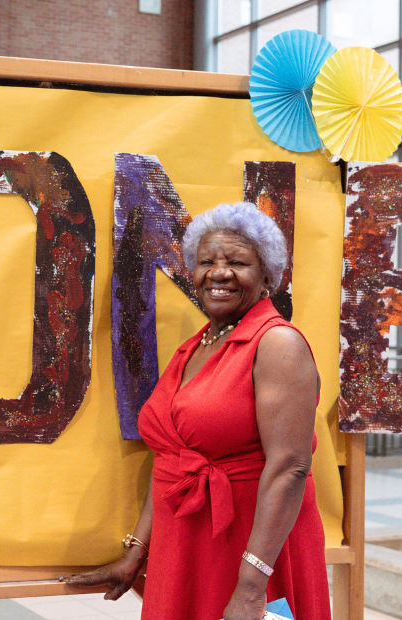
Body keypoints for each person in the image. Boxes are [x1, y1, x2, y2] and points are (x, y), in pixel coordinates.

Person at [65, 202, 331, 620]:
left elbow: (291, 467)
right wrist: (138, 551)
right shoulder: (198, 345)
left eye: (237, 262)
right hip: (185, 545)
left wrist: (250, 587)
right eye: (206, 261)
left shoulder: (278, 344)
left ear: (267, 275)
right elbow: (174, 460)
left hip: (250, 549)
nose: (219, 273)